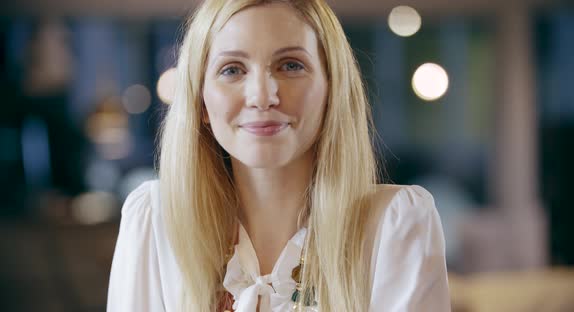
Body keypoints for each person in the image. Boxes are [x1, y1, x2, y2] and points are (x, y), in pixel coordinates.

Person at [107, 0, 451, 311]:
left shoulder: (397, 227)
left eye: (290, 65)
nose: (262, 95)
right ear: (201, 103)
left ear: (331, 90)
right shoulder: (154, 223)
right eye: (232, 70)